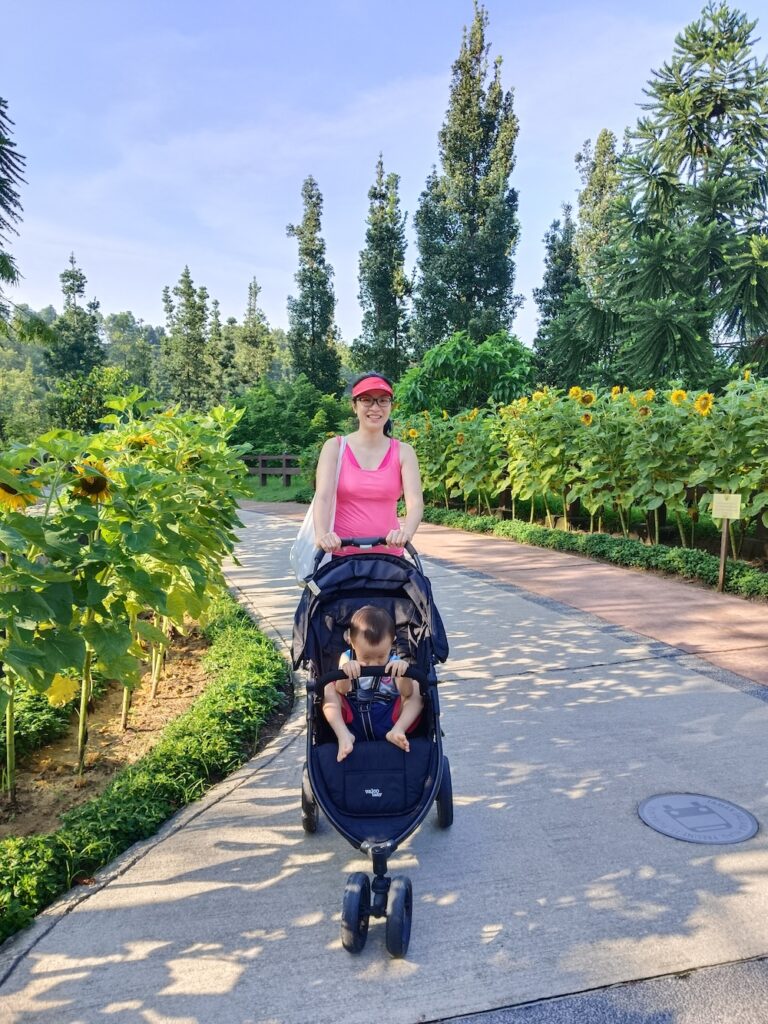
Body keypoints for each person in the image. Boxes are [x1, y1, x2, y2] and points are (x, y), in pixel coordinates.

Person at [313, 372, 424, 557]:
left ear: (391, 406)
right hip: (340, 557)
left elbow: (415, 502)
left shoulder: (404, 452)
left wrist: (406, 533)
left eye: (383, 400)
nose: (375, 407)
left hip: (389, 560)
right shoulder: (335, 447)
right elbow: (322, 498)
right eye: (366, 400)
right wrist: (322, 535)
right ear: (354, 406)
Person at [322, 605, 423, 762]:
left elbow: (407, 693)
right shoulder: (347, 658)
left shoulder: (394, 662)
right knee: (329, 687)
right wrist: (345, 673)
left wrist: (404, 674)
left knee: (416, 688)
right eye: (366, 658)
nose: (374, 663)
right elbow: (342, 690)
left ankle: (398, 731)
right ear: (351, 642)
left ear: (392, 642)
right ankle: (343, 735)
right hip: (352, 719)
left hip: (389, 718)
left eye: (381, 657)